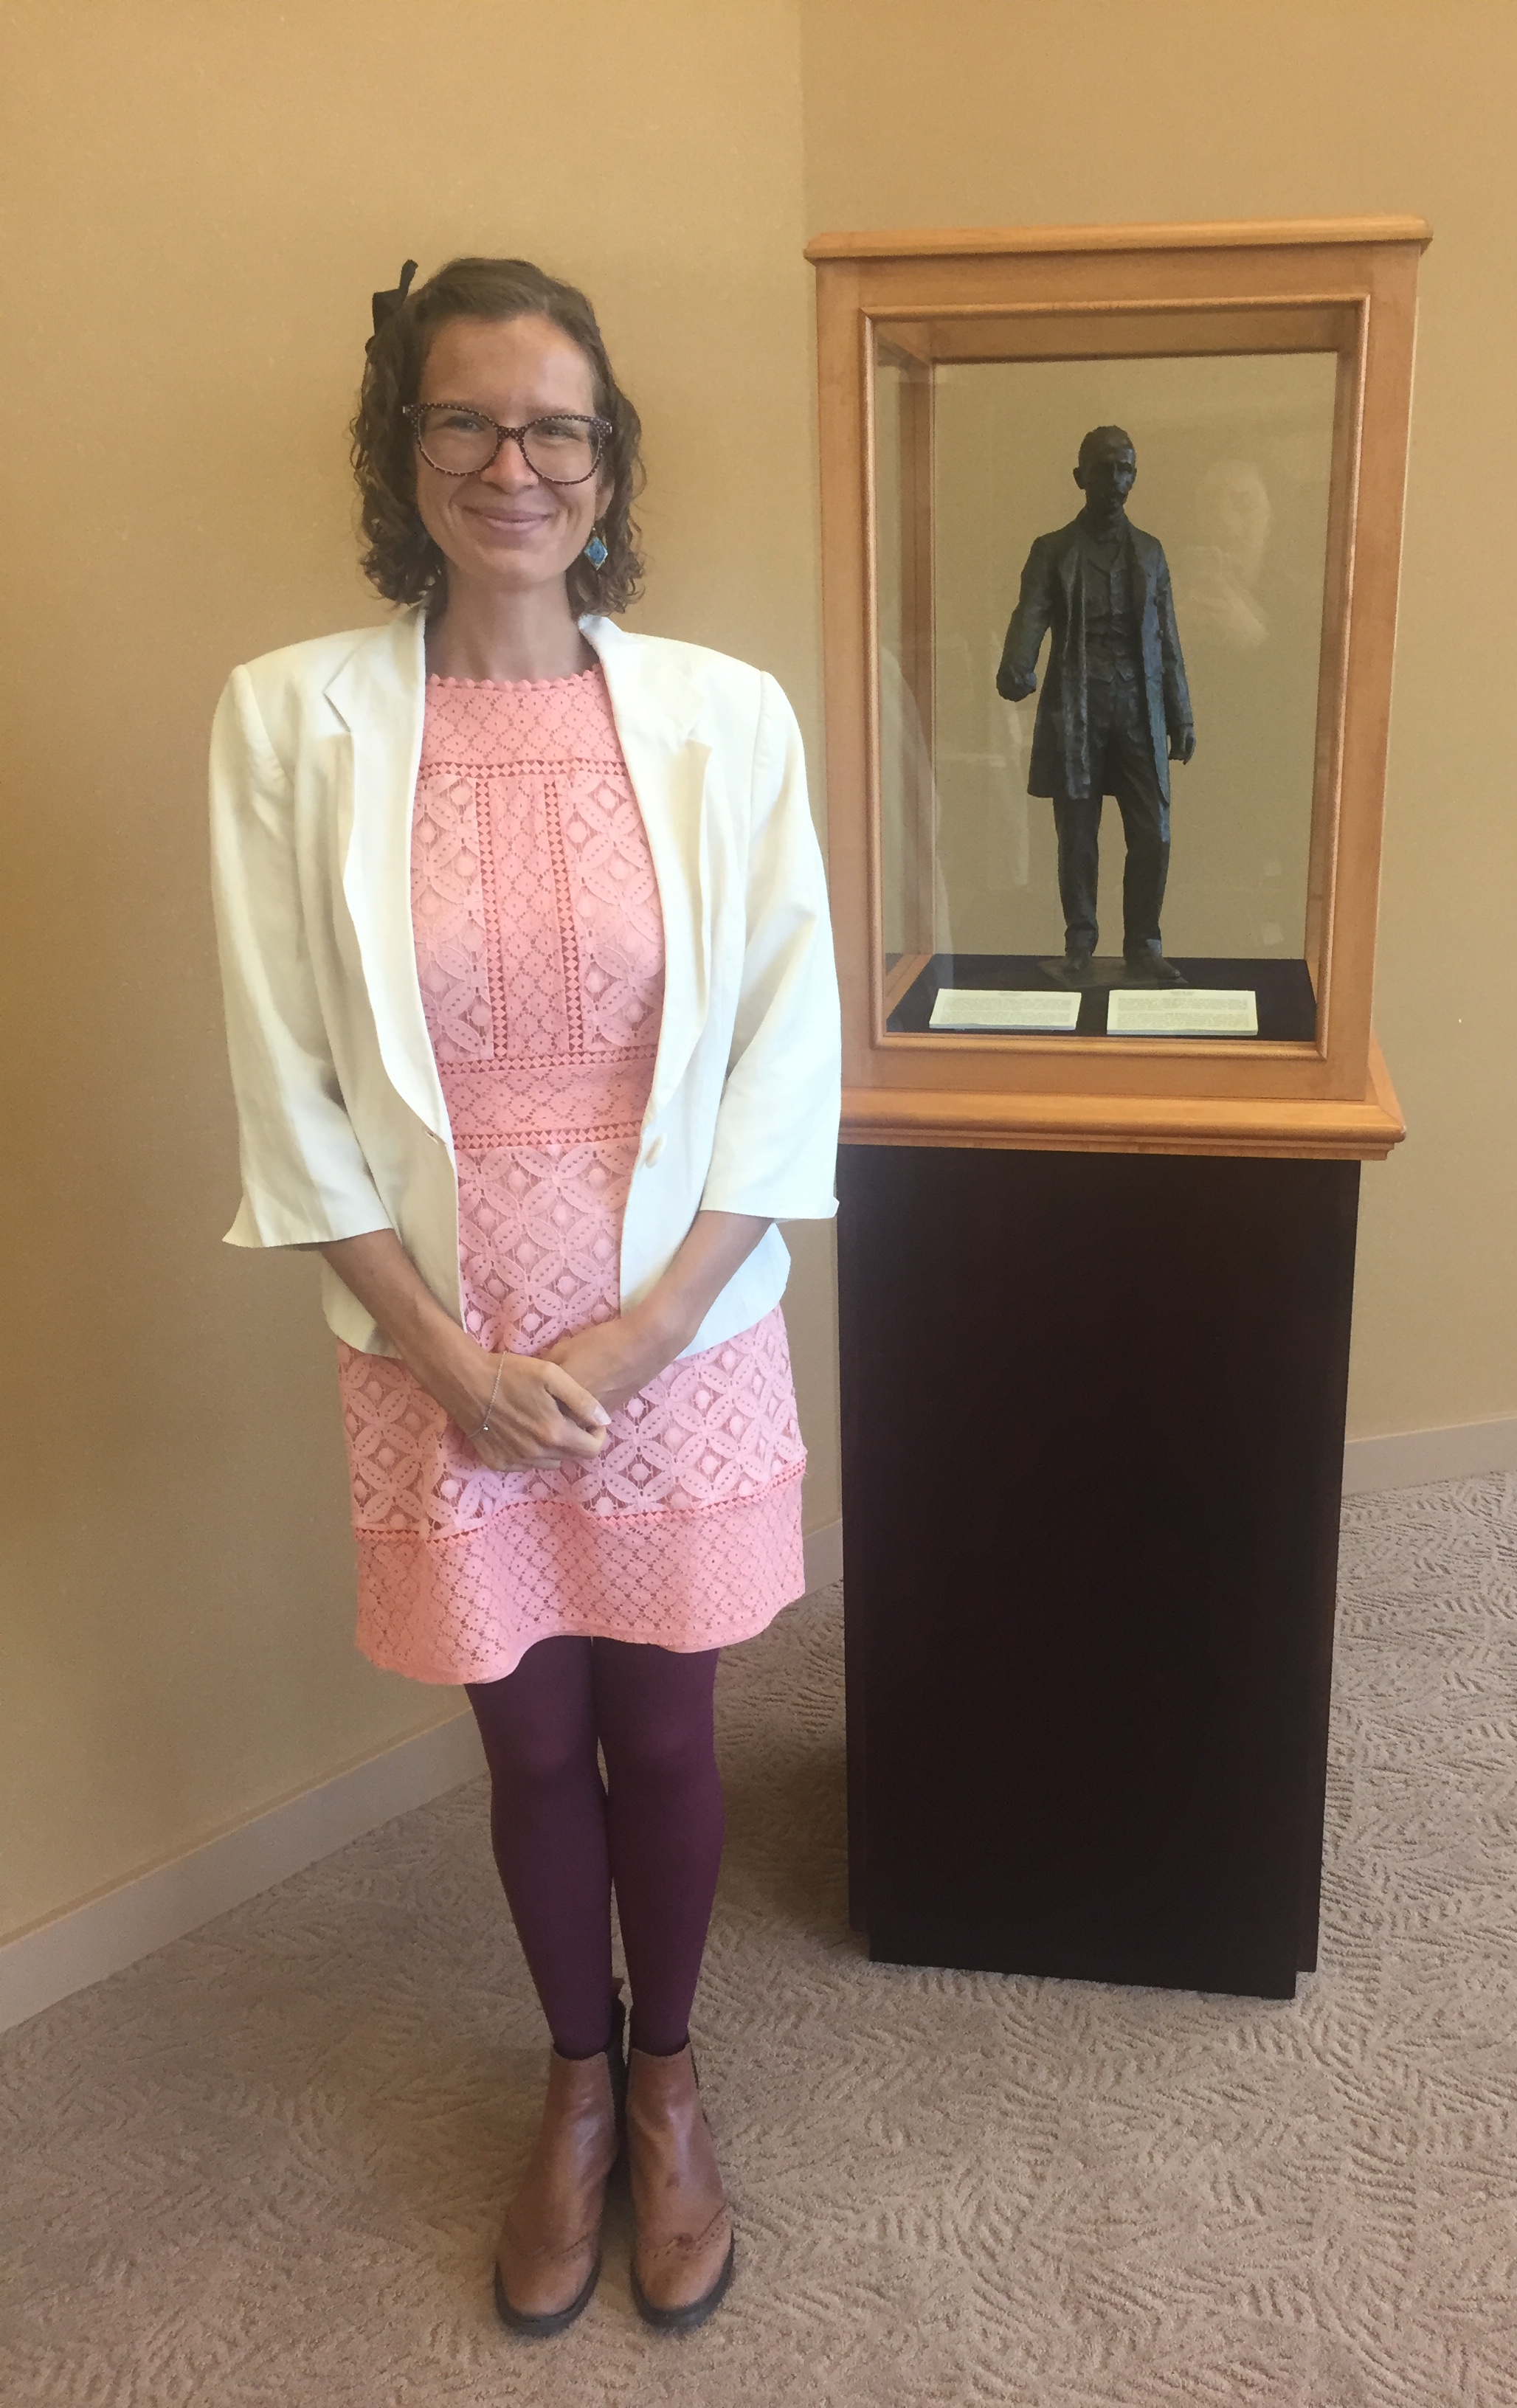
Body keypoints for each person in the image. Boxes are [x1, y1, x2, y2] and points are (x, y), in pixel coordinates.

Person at [209, 255, 840, 2340]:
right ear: (408, 453)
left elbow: (783, 1052)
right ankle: (574, 2082)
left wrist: (644, 1334)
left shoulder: (723, 716)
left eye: (556, 425)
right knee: (527, 1735)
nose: (514, 463)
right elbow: (286, 1079)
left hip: (677, 1318)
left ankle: (673, 2092)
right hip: (442, 1338)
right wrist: (447, 1356)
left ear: (606, 459)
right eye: (468, 421)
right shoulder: (290, 719)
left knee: (666, 1733)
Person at [995, 425, 1195, 984]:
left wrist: (1180, 715)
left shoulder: (1150, 554)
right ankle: (1080, 942)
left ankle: (1144, 944)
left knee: (1152, 832)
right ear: (1080, 477)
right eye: (1105, 469)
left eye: (1126, 468)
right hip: (1077, 709)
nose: (1116, 481)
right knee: (1077, 835)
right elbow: (1030, 611)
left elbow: (1168, 642)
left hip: (1139, 710)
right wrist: (1018, 664)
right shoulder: (1053, 550)